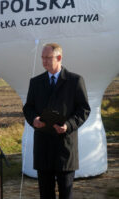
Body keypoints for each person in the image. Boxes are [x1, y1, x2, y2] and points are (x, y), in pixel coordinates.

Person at [23, 43, 91, 199]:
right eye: (42, 58)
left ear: (59, 58)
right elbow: (28, 108)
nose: (44, 61)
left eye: (48, 58)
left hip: (64, 147)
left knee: (66, 193)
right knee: (45, 194)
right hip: (43, 146)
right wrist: (34, 119)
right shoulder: (36, 82)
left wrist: (68, 125)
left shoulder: (75, 81)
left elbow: (84, 109)